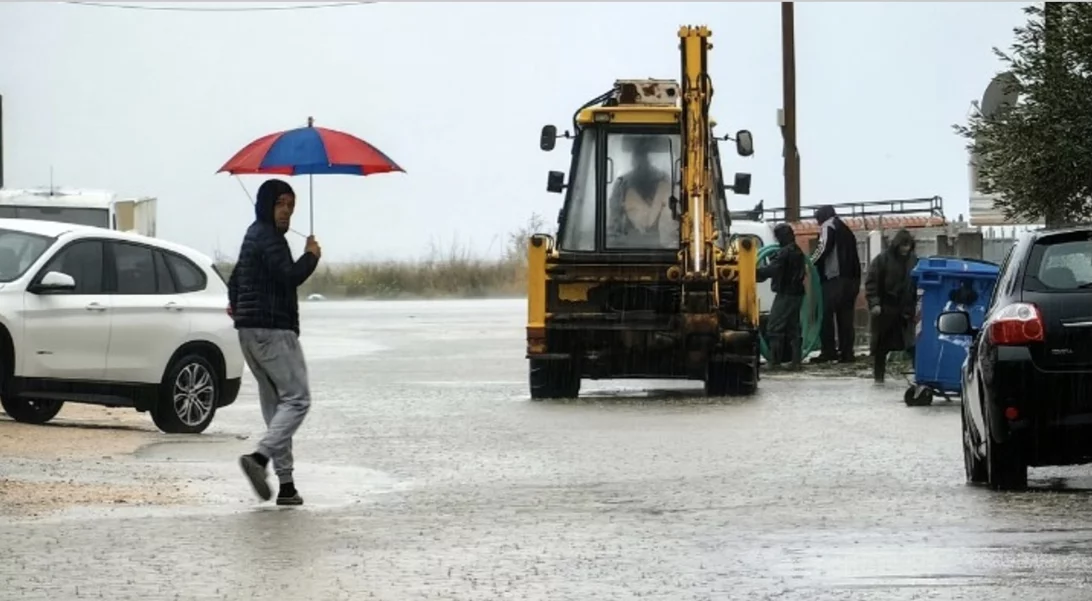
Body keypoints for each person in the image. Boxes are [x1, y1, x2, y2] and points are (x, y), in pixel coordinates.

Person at [229, 178, 322, 505]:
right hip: (273, 331)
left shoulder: (253, 235)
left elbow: (235, 278)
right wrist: (311, 256)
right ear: (267, 204)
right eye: (281, 204)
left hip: (249, 334)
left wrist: (237, 307)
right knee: (298, 400)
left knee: (276, 408)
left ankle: (286, 486)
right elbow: (290, 276)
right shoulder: (268, 236)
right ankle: (259, 459)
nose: (286, 212)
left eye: (291, 207)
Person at [864, 228, 917, 384]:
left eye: (908, 246)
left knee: (912, 346)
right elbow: (872, 283)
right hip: (886, 310)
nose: (905, 249)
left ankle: (919, 377)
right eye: (902, 246)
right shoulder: (882, 260)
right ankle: (878, 377)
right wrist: (875, 303)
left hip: (906, 310)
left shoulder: (914, 261)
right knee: (881, 348)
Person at [810, 205, 862, 364]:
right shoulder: (846, 229)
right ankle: (847, 353)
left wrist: (810, 263)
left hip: (835, 278)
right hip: (852, 280)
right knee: (845, 317)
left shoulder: (828, 226)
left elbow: (823, 248)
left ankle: (828, 351)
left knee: (825, 315)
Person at [607, 135, 677, 248]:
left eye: (643, 156)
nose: (640, 160)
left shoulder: (666, 184)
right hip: (627, 248)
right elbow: (614, 219)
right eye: (638, 156)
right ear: (633, 159)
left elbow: (675, 215)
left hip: (664, 248)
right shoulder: (622, 185)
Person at [756, 223, 807, 370]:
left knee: (774, 327)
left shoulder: (785, 252)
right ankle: (796, 362)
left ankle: (774, 362)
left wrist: (754, 272)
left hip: (786, 293)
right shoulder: (796, 251)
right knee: (793, 327)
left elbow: (772, 269)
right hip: (797, 293)